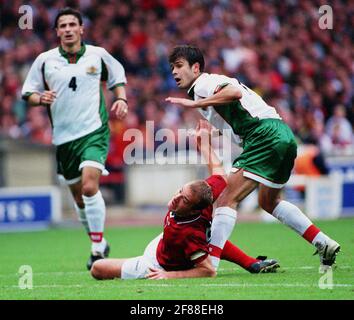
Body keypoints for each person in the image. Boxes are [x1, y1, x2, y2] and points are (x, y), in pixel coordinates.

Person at [166, 45, 340, 272]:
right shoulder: (207, 89)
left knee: (225, 198)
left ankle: (211, 265)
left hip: (263, 136)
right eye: (171, 68)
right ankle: (323, 243)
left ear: (196, 68)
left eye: (179, 66)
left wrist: (196, 104)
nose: (174, 72)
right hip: (282, 135)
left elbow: (234, 93)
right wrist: (210, 134)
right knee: (268, 202)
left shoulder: (204, 84)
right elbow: (238, 114)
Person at [91, 120, 279, 280]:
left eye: (184, 200)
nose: (176, 199)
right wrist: (203, 144)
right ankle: (251, 263)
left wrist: (169, 276)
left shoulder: (185, 232)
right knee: (211, 236)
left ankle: (250, 263)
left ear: (193, 209)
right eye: (180, 191)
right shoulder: (203, 194)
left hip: (157, 263)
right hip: (165, 244)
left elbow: (208, 270)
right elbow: (219, 174)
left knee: (97, 268)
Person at [21, 7, 129, 270]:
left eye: (72, 24)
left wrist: (121, 98)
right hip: (64, 139)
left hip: (94, 131)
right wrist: (39, 98)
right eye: (63, 25)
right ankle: (99, 242)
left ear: (81, 29)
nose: (68, 29)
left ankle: (96, 250)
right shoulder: (44, 60)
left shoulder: (98, 55)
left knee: (90, 187)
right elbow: (28, 93)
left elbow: (117, 77)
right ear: (57, 31)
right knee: (80, 199)